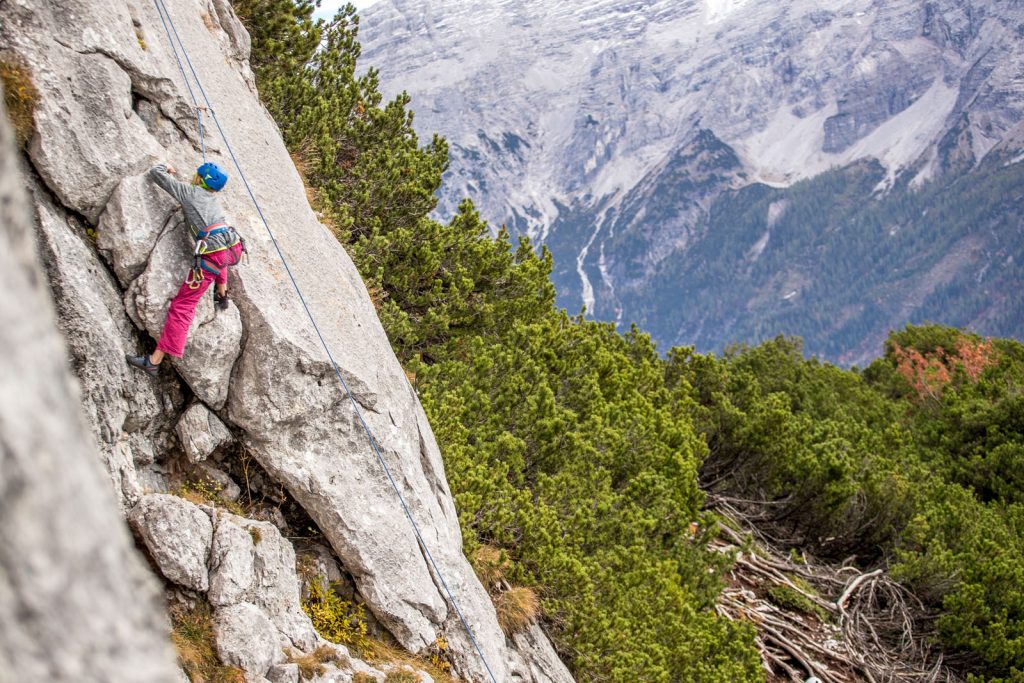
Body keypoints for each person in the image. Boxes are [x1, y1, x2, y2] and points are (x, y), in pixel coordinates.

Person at [127, 161, 244, 376]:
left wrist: (168, 167)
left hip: (213, 254)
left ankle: (154, 361)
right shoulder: (213, 201)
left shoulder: (189, 192)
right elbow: (222, 257)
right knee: (219, 257)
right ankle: (222, 294)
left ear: (200, 179)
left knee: (183, 305)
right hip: (229, 247)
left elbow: (156, 174)